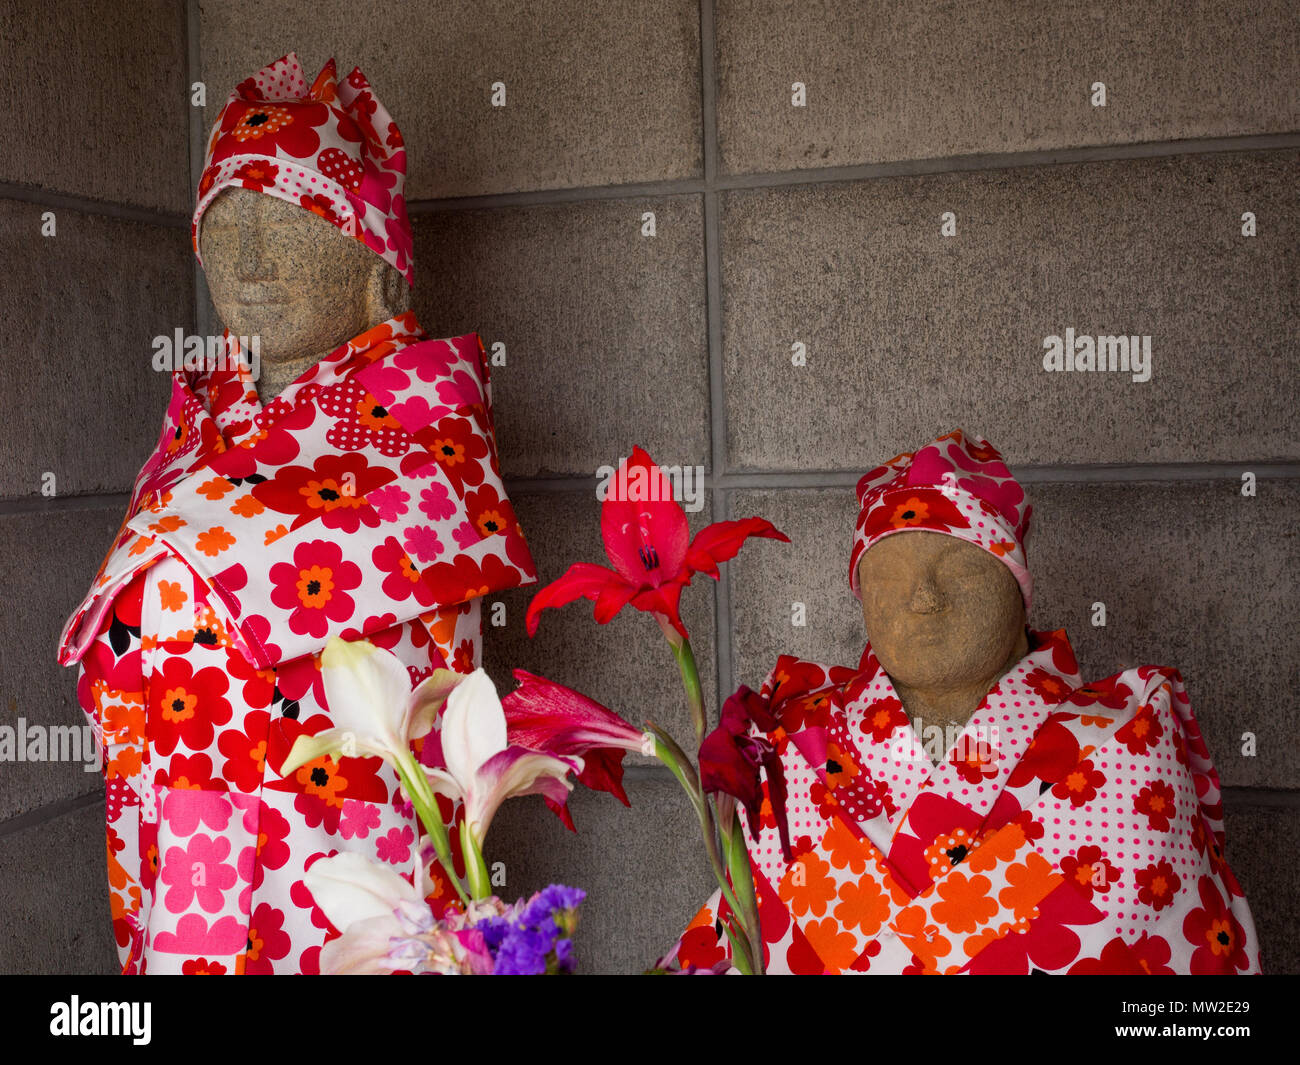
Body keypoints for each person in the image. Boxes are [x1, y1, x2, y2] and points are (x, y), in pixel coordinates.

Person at [57, 53, 535, 974]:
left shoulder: (428, 441)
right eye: (225, 228)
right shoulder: (196, 436)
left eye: (287, 226)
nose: (248, 264)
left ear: (373, 264)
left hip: (341, 860)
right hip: (189, 854)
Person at [669, 429, 1260, 974]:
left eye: (960, 568)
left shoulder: (1128, 749)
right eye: (890, 576)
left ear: (1019, 591)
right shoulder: (794, 738)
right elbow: (738, 930)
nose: (923, 597)